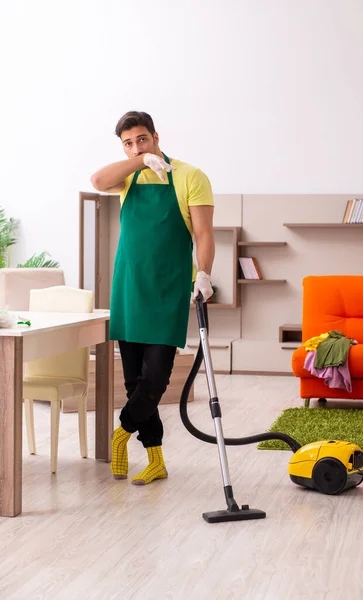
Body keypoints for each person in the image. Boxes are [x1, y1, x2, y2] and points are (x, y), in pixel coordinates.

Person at [90, 111, 215, 485]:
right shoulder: (128, 175)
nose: (136, 147)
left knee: (156, 377)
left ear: (156, 136)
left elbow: (204, 233)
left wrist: (204, 272)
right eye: (128, 143)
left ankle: (122, 431)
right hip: (129, 286)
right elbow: (97, 180)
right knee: (132, 381)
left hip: (169, 288)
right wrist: (139, 161)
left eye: (142, 140)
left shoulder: (191, 176)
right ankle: (156, 458)